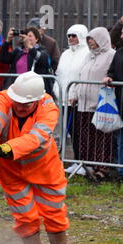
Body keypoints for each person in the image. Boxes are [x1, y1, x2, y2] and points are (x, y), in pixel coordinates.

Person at [0, 71, 84, 244]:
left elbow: (35, 138)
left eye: (26, 104)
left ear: (37, 100)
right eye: (18, 102)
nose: (21, 107)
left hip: (44, 168)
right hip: (10, 170)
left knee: (54, 208)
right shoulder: (5, 98)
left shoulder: (49, 108)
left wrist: (6, 148)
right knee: (23, 211)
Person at [69, 27, 116, 180]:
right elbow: (80, 75)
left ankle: (102, 168)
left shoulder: (111, 55)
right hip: (83, 104)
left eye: (93, 39)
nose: (90, 42)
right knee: (85, 137)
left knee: (101, 138)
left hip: (99, 104)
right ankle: (88, 166)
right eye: (89, 39)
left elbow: (112, 74)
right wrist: (74, 94)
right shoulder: (88, 56)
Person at [54, 24, 89, 175]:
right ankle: (75, 161)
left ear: (81, 36)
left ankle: (83, 162)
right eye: (69, 36)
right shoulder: (65, 54)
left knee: (79, 132)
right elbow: (59, 74)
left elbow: (83, 76)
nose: (71, 38)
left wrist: (75, 94)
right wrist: (58, 92)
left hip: (78, 100)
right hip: (63, 99)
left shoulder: (86, 53)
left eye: (74, 35)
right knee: (68, 132)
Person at [0, 27, 53, 95]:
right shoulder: (18, 51)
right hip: (17, 88)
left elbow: (44, 60)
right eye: (26, 35)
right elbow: (3, 58)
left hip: (33, 90)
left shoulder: (42, 50)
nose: (27, 38)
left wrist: (29, 46)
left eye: (30, 36)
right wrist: (8, 41)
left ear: (36, 39)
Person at [104, 38, 123, 181]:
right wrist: (109, 77)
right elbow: (112, 71)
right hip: (120, 101)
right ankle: (120, 170)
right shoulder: (119, 53)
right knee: (119, 137)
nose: (121, 36)